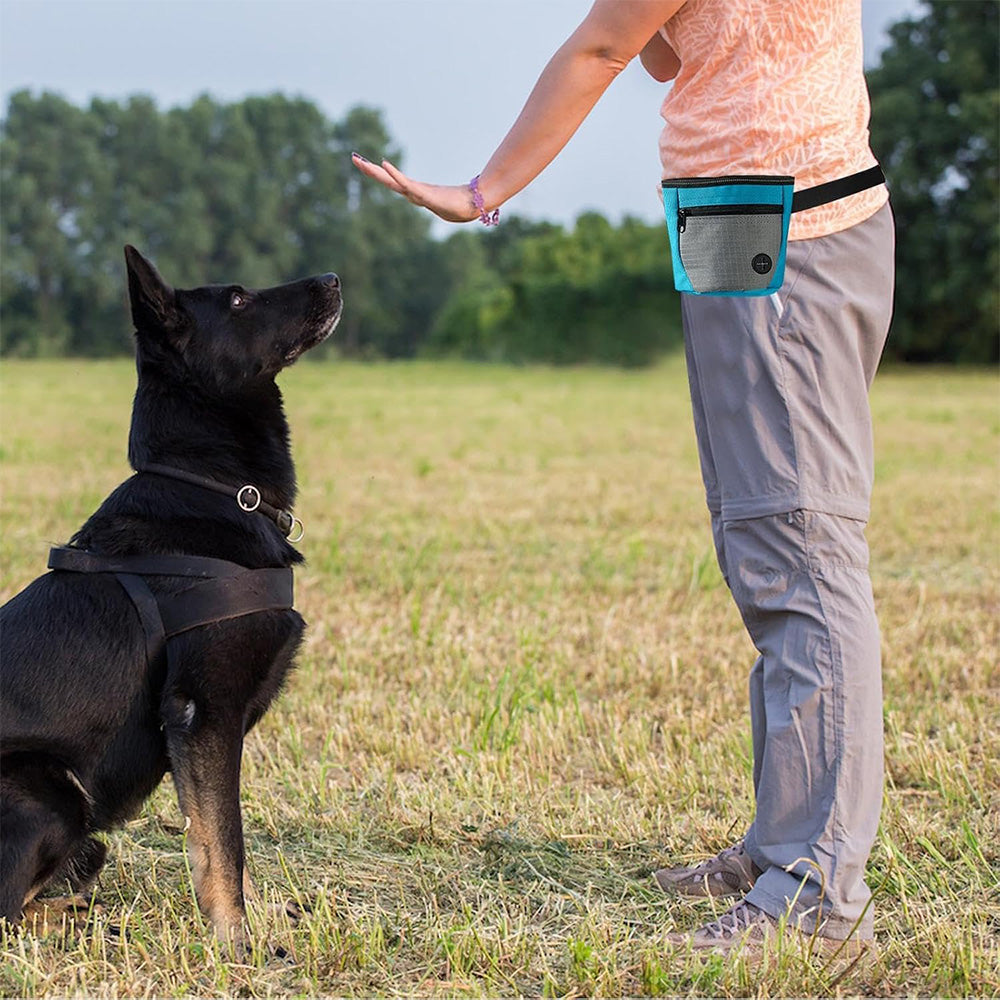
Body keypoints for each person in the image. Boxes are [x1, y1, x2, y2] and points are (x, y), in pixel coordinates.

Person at [354, 0, 893, 959]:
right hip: (745, 219)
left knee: (801, 553)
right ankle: (783, 845)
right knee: (762, 545)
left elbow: (603, 48)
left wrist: (484, 193)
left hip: (786, 230)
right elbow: (659, 54)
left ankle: (814, 888)